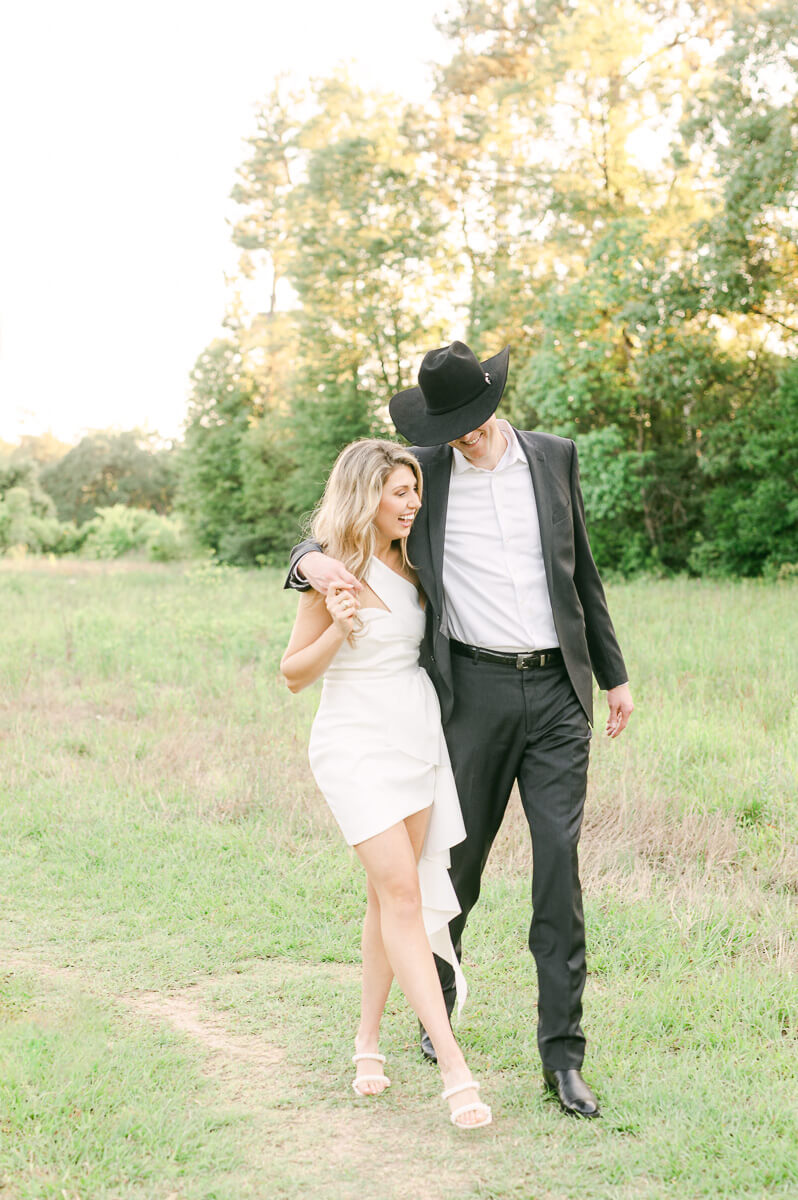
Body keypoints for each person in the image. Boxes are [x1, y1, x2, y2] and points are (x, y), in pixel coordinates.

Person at [286, 341, 634, 1119]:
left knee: (557, 873)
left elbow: (583, 569)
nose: (465, 438)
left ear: (494, 402)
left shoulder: (554, 457)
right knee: (455, 864)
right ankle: (433, 997)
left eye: (474, 423)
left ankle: (563, 1057)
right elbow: (340, 520)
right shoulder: (425, 469)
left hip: (556, 694)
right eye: (451, 429)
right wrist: (310, 564)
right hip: (468, 693)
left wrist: (613, 675)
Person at [280, 439, 492, 1130]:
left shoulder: (414, 560)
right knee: (402, 893)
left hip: (415, 738)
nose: (413, 503)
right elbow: (292, 673)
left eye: (416, 492)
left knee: (387, 896)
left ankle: (367, 1042)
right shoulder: (332, 574)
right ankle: (456, 1069)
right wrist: (339, 628)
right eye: (401, 492)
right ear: (367, 493)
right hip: (354, 745)